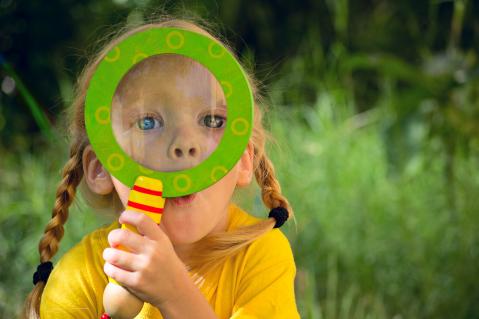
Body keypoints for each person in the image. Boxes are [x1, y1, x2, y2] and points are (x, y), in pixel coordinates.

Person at [23, 17, 299, 319]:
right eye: (148, 122)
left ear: (244, 160)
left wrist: (175, 294)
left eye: (211, 121)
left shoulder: (261, 255)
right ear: (101, 167)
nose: (183, 144)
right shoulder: (80, 277)